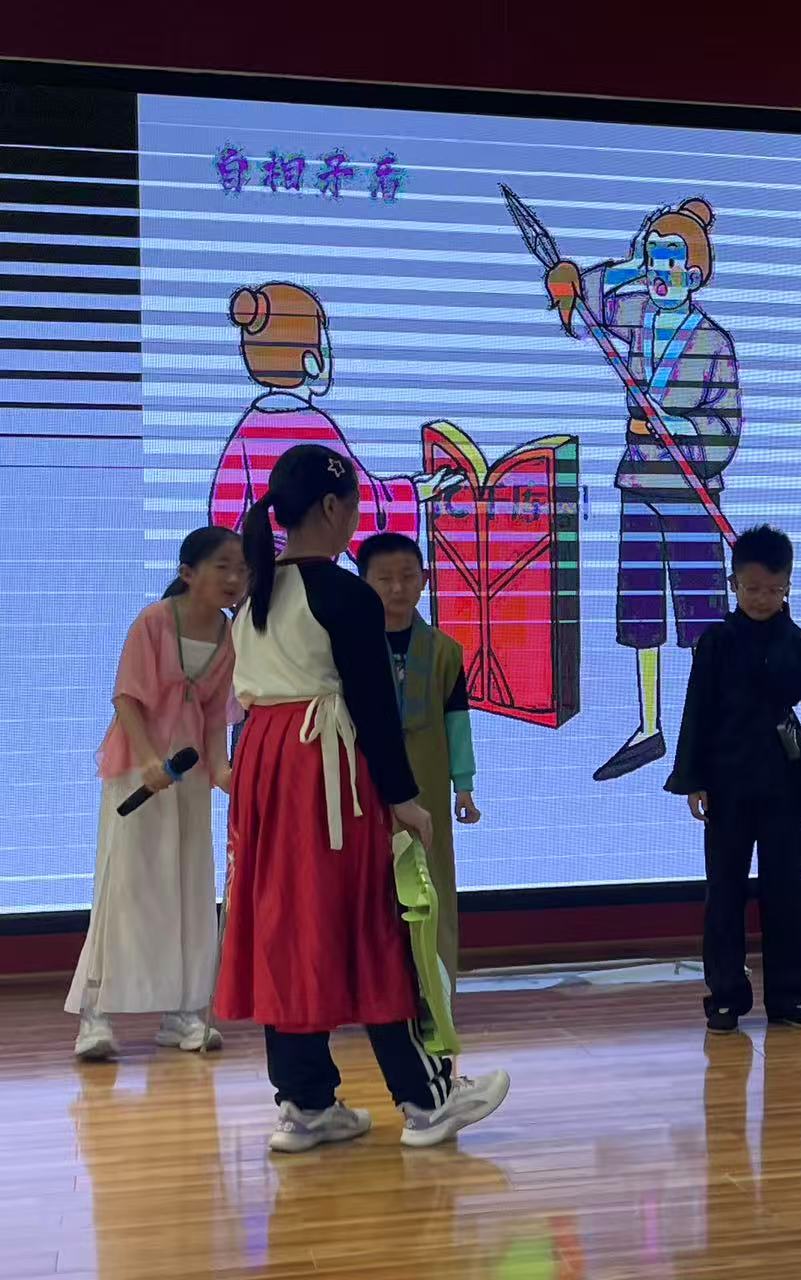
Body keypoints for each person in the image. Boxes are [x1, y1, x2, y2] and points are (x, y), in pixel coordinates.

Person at [214, 443, 509, 1153]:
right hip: (324, 767)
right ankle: (427, 1100)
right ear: (330, 507)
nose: (354, 520)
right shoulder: (345, 595)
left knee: (288, 927)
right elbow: (375, 709)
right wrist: (404, 799)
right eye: (351, 507)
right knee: (380, 922)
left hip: (266, 766)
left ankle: (306, 1103)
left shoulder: (256, 592)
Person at [542, 198, 742, 782]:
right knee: (642, 607)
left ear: (696, 273)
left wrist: (679, 428)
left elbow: (727, 424)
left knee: (702, 612)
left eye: (672, 260)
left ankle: (708, 726)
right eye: (653, 258)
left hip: (691, 487)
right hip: (639, 479)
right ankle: (649, 726)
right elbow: (584, 298)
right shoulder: (634, 315)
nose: (660, 272)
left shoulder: (714, 342)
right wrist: (627, 264)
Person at [68, 527, 245, 1061]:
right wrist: (148, 761)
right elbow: (126, 698)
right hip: (137, 771)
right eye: (222, 566)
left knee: (189, 887)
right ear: (188, 572)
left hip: (189, 776)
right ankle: (94, 1015)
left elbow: (214, 718)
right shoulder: (153, 622)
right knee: (125, 886)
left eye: (241, 568)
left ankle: (183, 1012)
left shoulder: (230, 635)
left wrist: (224, 772)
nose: (234, 578)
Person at [665, 525, 801, 1035]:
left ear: (788, 586)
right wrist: (693, 779)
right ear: (733, 583)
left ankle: (789, 996)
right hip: (727, 787)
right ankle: (724, 997)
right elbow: (696, 713)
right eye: (752, 588)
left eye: (773, 589)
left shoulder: (800, 646)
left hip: (785, 790)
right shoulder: (715, 643)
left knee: (788, 894)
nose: (762, 598)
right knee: (725, 894)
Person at [210, 281, 449, 561]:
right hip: (310, 572)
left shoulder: (247, 430)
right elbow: (360, 496)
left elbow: (224, 512)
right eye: (325, 349)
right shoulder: (315, 426)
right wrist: (415, 492)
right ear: (311, 361)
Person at [359, 532, 482, 979]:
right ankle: (373, 988)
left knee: (432, 878)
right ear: (362, 583)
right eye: (384, 578)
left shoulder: (445, 651)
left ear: (425, 580)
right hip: (365, 780)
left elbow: (457, 722)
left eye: (408, 576)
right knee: (368, 882)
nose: (397, 588)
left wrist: (463, 786)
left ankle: (434, 986)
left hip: (427, 782)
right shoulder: (349, 647)